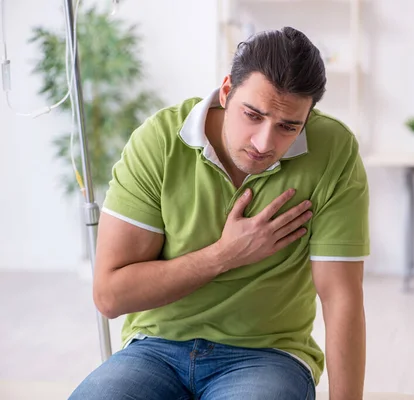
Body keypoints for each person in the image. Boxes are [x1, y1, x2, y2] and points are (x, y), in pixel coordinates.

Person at [69, 26, 369, 400]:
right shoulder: (160, 140)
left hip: (268, 355)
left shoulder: (333, 151)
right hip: (156, 348)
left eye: (288, 127)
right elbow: (110, 296)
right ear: (226, 91)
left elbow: (341, 296)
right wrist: (224, 255)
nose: (264, 143)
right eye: (253, 115)